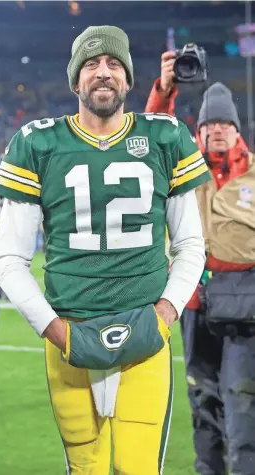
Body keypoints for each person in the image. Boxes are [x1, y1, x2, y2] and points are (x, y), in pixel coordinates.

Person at [0, 26, 210, 474]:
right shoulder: (38, 142)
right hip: (70, 331)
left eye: (114, 64)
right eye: (91, 64)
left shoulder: (164, 136)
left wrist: (165, 313)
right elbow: (9, 260)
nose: (103, 73)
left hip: (146, 333)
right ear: (75, 80)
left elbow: (191, 244)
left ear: (129, 79)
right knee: (85, 467)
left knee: (138, 468)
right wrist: (54, 329)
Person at [145, 51, 255, 475]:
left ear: (237, 131)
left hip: (245, 307)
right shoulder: (183, 168)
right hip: (193, 304)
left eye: (225, 124)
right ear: (199, 132)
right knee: (202, 396)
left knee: (243, 397)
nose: (217, 132)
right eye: (209, 125)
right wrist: (166, 88)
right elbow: (152, 137)